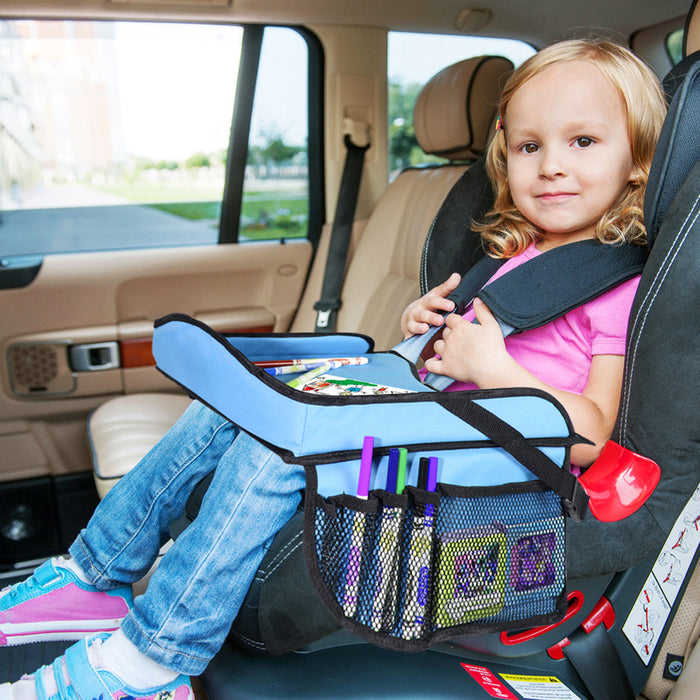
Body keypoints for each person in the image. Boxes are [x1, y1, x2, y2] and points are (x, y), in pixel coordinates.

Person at [0, 39, 667, 700]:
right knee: (236, 404)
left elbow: (588, 435)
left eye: (582, 142)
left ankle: (153, 658)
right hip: (434, 429)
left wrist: (491, 366)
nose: (551, 166)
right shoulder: (513, 254)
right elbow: (459, 361)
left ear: (638, 160)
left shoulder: (616, 287)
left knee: (286, 447)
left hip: (484, 474)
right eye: (530, 147)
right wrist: (426, 329)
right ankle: (94, 575)